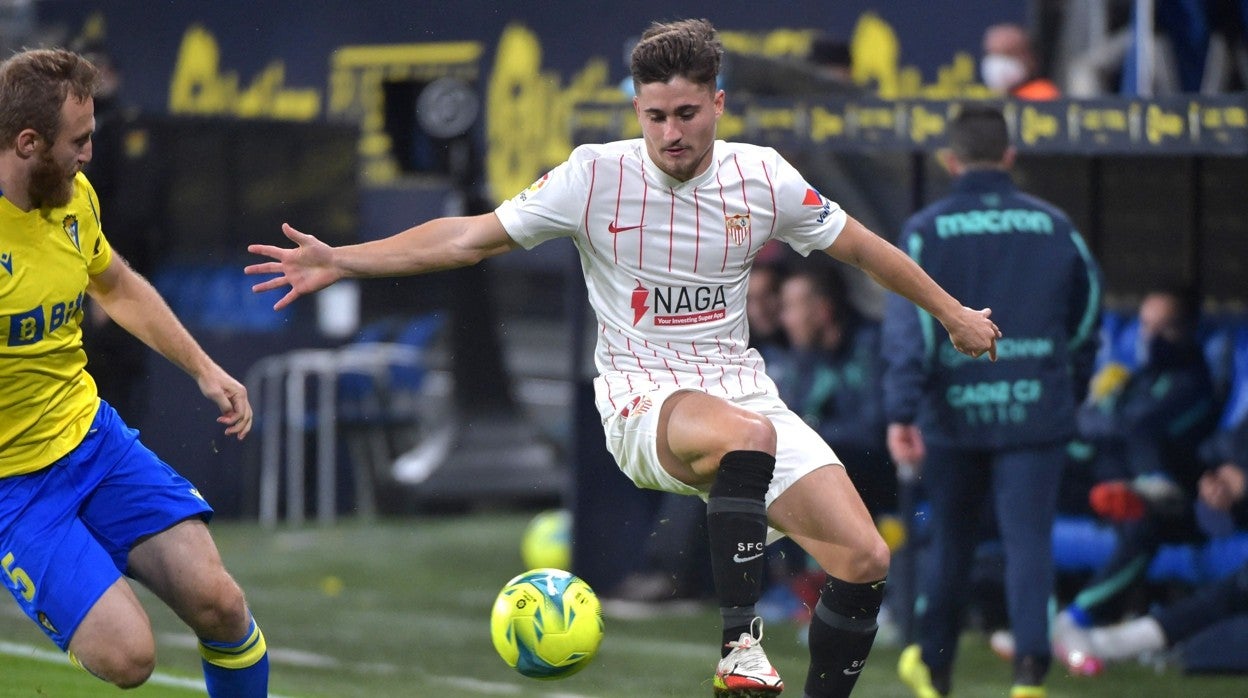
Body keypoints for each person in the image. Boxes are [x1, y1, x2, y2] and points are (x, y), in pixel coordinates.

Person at [247, 18, 1000, 697]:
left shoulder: (763, 176)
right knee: (750, 437)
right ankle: (740, 649)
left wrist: (955, 313)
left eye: (686, 113)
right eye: (655, 115)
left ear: (719, 106)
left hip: (741, 392)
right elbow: (468, 237)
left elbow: (867, 250)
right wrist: (344, 258)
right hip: (644, 403)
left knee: (864, 557)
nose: (671, 132)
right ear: (636, 110)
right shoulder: (594, 176)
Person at [0, 49, 268, 695]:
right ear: (28, 142)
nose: (92, 153)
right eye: (81, 140)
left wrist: (204, 369)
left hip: (93, 442)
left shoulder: (72, 199)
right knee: (129, 658)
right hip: (16, 491)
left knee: (221, 604)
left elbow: (116, 287)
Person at [882, 104, 1102, 698]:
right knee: (1029, 542)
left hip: (952, 414)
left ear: (951, 161)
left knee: (950, 540)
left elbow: (910, 330)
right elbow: (1086, 318)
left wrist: (902, 411)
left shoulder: (925, 230)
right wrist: (1064, 385)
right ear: (1010, 157)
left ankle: (935, 671)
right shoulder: (1057, 226)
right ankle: (1029, 679)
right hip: (1037, 411)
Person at [981, 23, 1062, 100]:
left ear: (1030, 57)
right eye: (993, 54)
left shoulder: (1042, 94)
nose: (997, 63)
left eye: (1007, 53)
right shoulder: (983, 98)